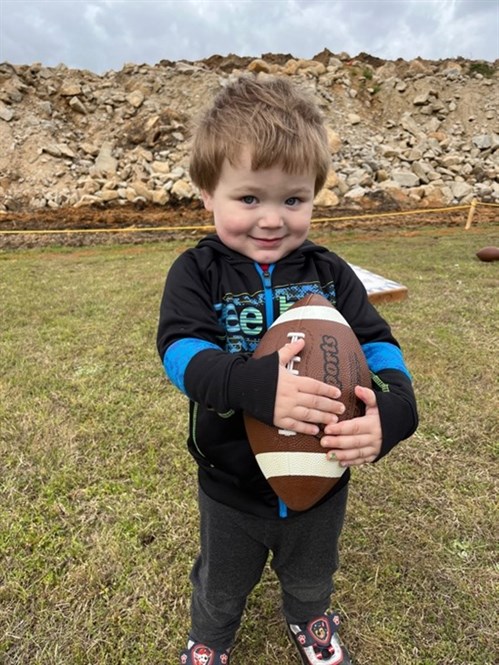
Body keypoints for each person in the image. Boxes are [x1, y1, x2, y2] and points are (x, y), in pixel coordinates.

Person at [157, 74, 418, 665]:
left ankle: (309, 619)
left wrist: (397, 411)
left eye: (293, 200)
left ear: (314, 195)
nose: (272, 219)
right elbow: (180, 351)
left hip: (323, 476)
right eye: (250, 198)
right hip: (230, 482)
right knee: (222, 581)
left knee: (312, 572)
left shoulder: (330, 273)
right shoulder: (196, 272)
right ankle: (210, 638)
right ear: (207, 192)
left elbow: (377, 343)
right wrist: (255, 386)